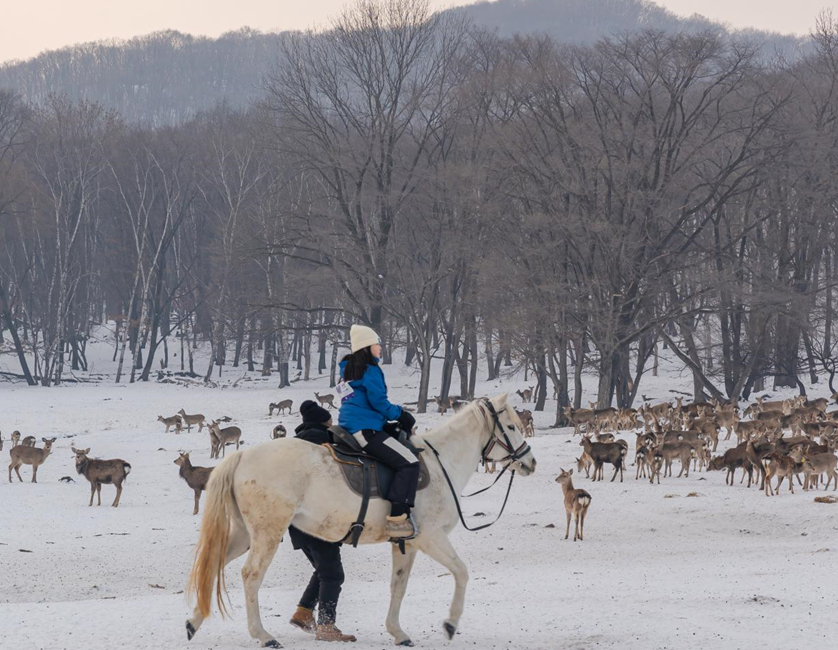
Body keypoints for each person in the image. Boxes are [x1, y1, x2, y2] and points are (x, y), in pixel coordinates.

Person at [338, 324, 419, 538]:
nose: (380, 348)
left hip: (351, 425)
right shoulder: (370, 369)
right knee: (410, 462)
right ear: (366, 347)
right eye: (377, 344)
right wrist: (401, 414)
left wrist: (382, 422)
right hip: (365, 430)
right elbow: (379, 402)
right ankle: (397, 520)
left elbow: (359, 402)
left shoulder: (348, 370)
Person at [288, 400, 357, 643]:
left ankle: (304, 613)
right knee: (333, 575)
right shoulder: (325, 442)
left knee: (324, 570)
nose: (332, 423)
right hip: (318, 518)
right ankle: (326, 625)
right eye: (329, 419)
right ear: (323, 422)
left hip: (297, 521)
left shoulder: (294, 444)